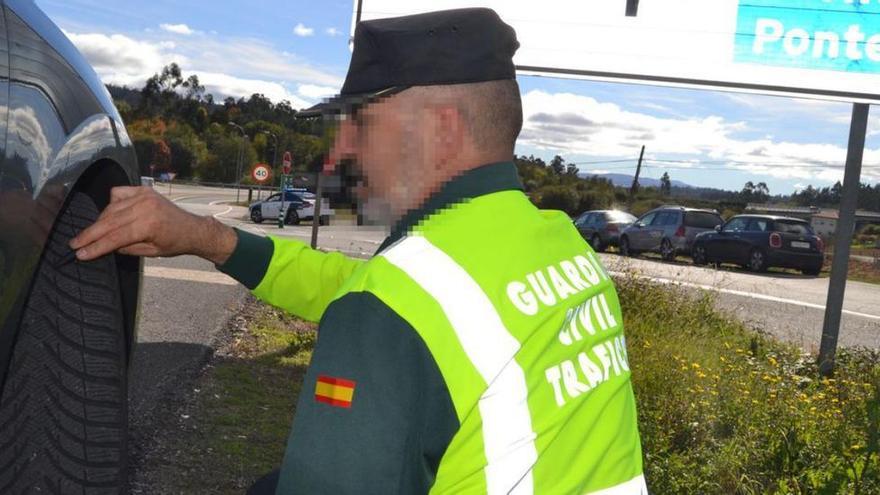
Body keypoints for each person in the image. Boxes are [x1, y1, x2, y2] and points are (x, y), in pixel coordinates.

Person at [70, 8, 647, 495]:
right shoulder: (555, 243)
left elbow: (386, 306)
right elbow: (362, 286)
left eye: (360, 124)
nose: (342, 147)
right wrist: (208, 238)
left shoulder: (396, 305)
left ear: (441, 132)